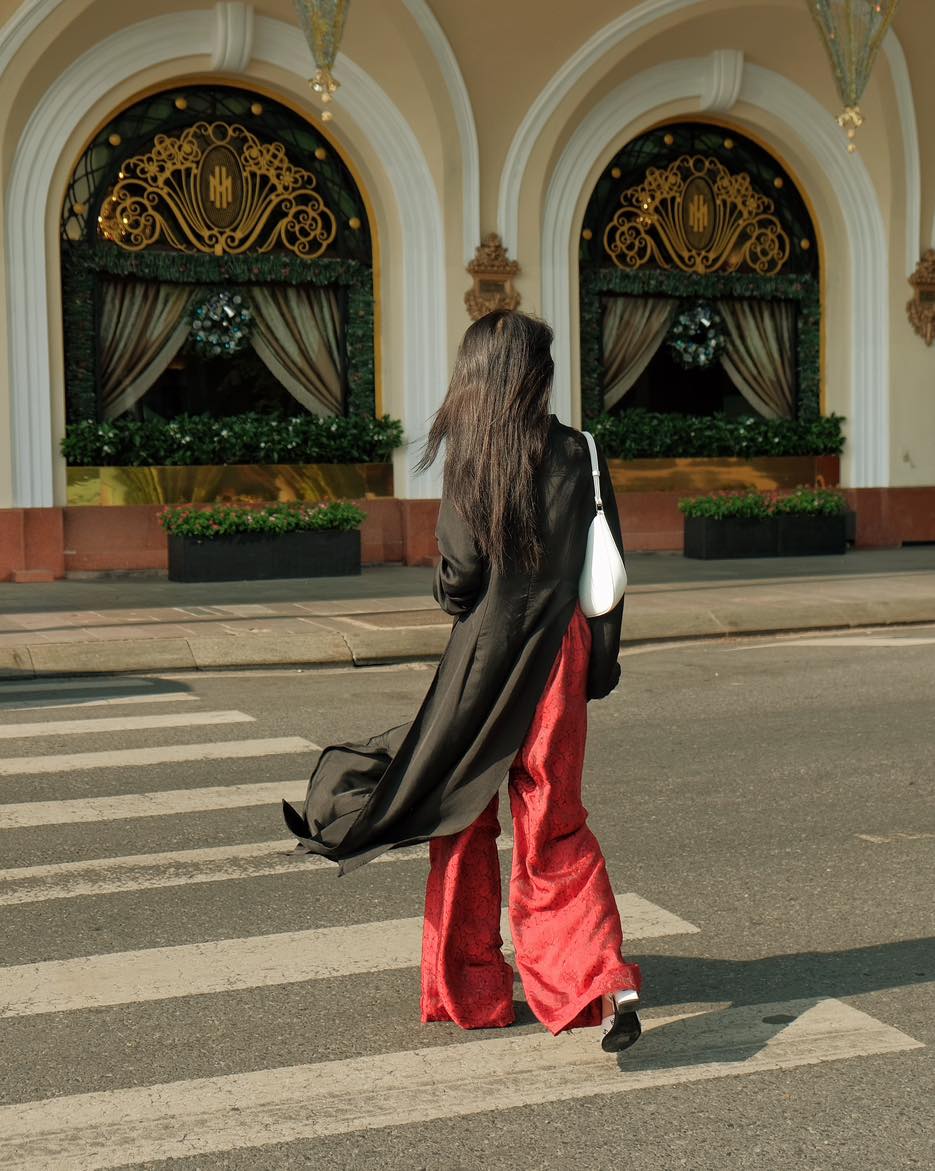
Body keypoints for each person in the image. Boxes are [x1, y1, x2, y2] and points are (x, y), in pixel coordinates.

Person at [283, 309, 642, 1052]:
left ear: (477, 374)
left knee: (461, 813)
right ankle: (597, 982)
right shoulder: (582, 453)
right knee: (555, 822)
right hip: (557, 656)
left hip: (485, 658)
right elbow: (602, 571)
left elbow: (459, 582)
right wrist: (595, 666)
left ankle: (470, 990)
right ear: (532, 376)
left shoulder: (471, 460)